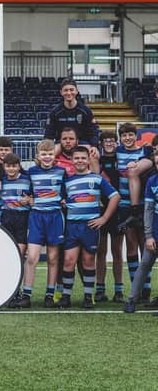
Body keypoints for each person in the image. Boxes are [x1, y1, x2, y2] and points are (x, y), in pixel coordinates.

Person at [58, 146, 120, 309]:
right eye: (76, 158)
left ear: (88, 160)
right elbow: (63, 200)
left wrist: (104, 218)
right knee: (69, 261)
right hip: (72, 226)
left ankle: (88, 296)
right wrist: (64, 202)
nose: (79, 161)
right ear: (72, 160)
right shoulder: (67, 181)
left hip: (90, 226)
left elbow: (115, 196)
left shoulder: (97, 178)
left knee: (88, 261)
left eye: (83, 158)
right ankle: (66, 296)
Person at [15, 139, 66, 309]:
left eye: (50, 154)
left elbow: (66, 193)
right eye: (44, 154)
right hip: (36, 217)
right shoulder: (31, 172)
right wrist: (27, 199)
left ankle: (49, 295)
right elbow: (26, 192)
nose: (47, 157)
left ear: (54, 156)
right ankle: (26, 294)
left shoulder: (61, 172)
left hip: (55, 217)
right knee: (32, 257)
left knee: (53, 258)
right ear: (38, 155)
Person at [115, 122, 154, 302]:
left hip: (141, 206)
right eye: (124, 135)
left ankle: (145, 289)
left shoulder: (144, 152)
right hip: (124, 206)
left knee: (144, 245)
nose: (127, 138)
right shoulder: (116, 152)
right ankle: (135, 289)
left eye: (130, 135)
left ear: (135, 136)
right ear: (120, 138)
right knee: (131, 246)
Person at [124, 152, 158, 313]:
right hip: (155, 234)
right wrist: (149, 235)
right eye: (157, 163)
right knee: (144, 265)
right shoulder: (152, 181)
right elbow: (149, 210)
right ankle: (131, 299)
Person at [95, 130, 125, 303]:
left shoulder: (121, 159)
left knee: (117, 251)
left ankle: (119, 289)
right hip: (99, 209)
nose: (109, 143)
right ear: (101, 143)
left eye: (112, 140)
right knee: (100, 251)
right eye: (106, 140)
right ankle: (100, 289)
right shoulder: (96, 160)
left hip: (118, 209)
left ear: (116, 142)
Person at [0, 152, 32, 305]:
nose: (11, 169)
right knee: (9, 256)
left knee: (19, 254)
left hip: (22, 218)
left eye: (14, 166)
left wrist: (30, 199)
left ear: (19, 166)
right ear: (4, 167)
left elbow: (34, 197)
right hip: (6, 217)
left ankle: (19, 291)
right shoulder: (1, 181)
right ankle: (11, 292)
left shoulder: (27, 180)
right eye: (8, 166)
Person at [44, 78, 100, 157]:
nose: (69, 93)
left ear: (76, 91)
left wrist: (94, 146)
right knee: (47, 156)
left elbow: (93, 131)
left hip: (81, 143)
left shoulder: (85, 111)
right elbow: (49, 133)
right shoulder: (55, 112)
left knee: (94, 155)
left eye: (71, 90)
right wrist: (45, 150)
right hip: (61, 144)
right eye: (66, 90)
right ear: (61, 92)